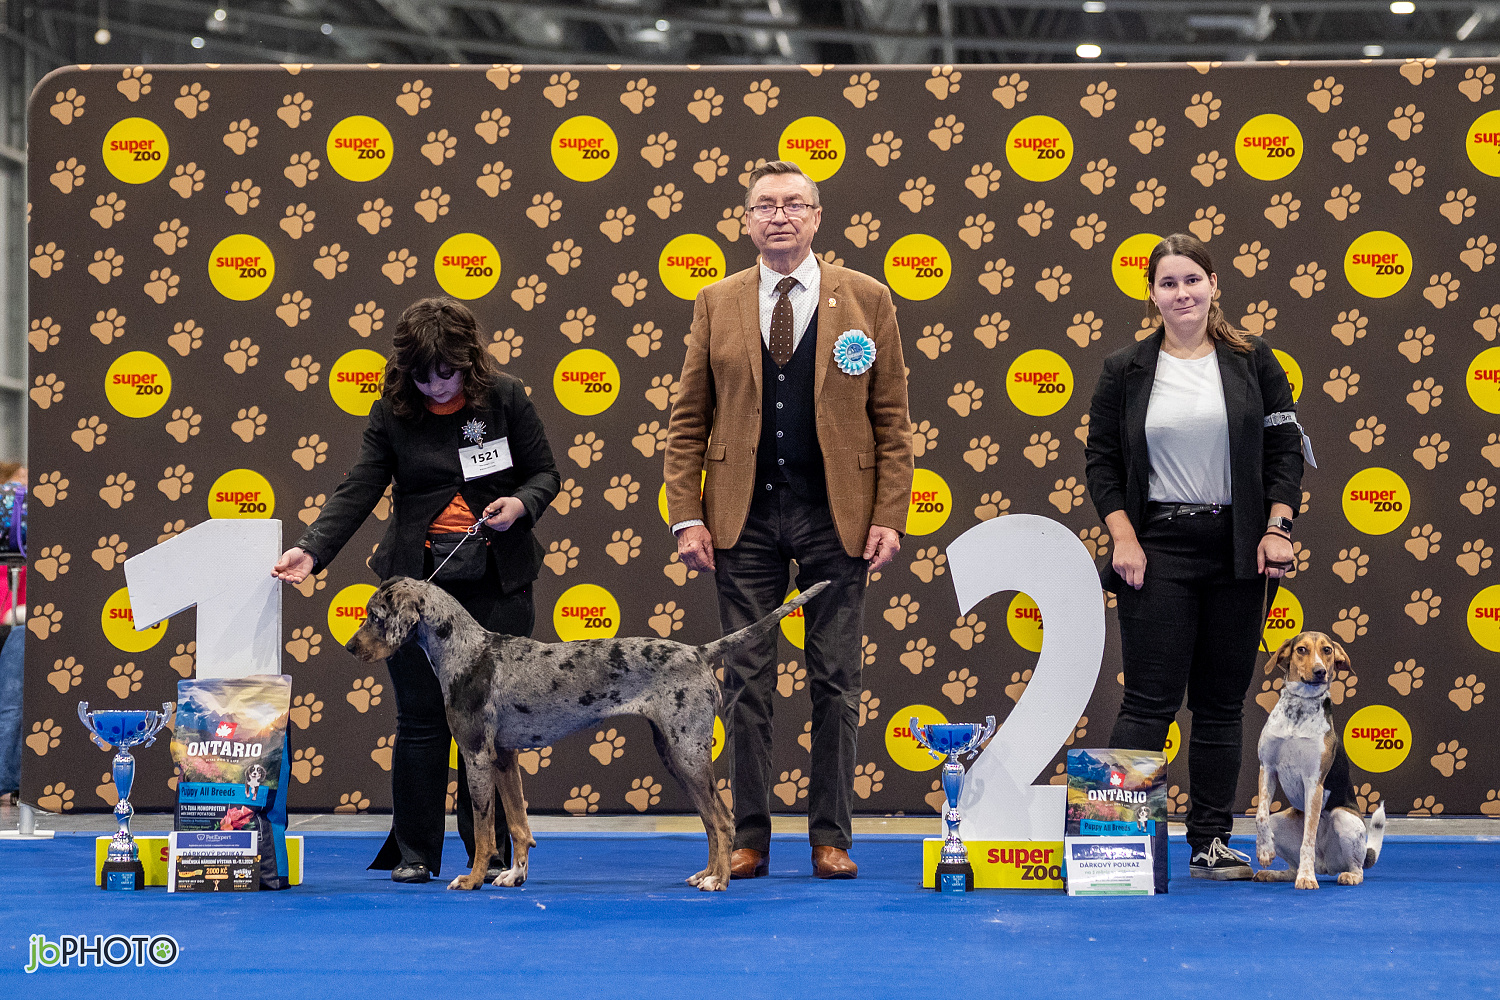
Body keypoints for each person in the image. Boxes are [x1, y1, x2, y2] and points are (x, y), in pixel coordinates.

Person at [663, 160, 914, 880]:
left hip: (838, 515)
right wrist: (686, 515)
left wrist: (889, 515)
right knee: (745, 683)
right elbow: (689, 420)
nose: (780, 215)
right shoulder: (716, 301)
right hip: (741, 517)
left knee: (836, 679)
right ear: (746, 221)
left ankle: (831, 838)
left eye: (794, 204)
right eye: (766, 205)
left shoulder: (868, 297)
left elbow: (892, 420)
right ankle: (748, 839)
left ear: (817, 217)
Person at [272, 297, 560, 883]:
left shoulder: (505, 396)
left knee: (488, 727)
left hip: (497, 582)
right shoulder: (392, 410)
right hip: (415, 592)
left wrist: (520, 504)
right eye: (422, 376)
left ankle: (490, 854)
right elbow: (360, 486)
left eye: (446, 373)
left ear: (469, 360)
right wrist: (313, 549)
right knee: (422, 721)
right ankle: (416, 853)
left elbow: (545, 473)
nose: (434, 386)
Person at [1084, 234, 1303, 881]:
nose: (1181, 293)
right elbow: (1101, 462)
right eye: (1168, 283)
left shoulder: (1255, 361)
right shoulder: (1124, 368)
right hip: (1157, 547)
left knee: (1220, 704)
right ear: (1151, 295)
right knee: (1147, 702)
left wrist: (1277, 528)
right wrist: (1123, 537)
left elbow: (1284, 453)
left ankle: (1210, 842)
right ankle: (1112, 847)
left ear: (1213, 285)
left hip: (1239, 548)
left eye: (1191, 280)